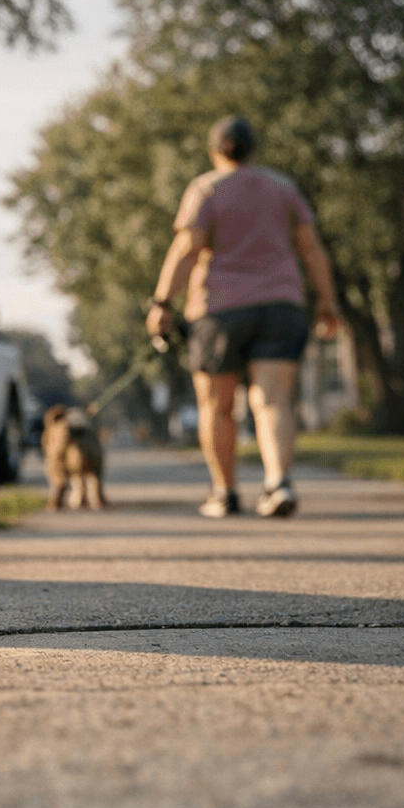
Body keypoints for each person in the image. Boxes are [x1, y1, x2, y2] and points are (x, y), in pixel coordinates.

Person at [146, 115, 340, 518]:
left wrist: (162, 304)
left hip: (219, 311)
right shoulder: (283, 187)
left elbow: (187, 248)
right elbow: (311, 248)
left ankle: (225, 492)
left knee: (217, 407)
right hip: (280, 305)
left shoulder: (205, 188)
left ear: (214, 151)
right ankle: (278, 483)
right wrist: (328, 303)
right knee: (273, 400)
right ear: (253, 150)